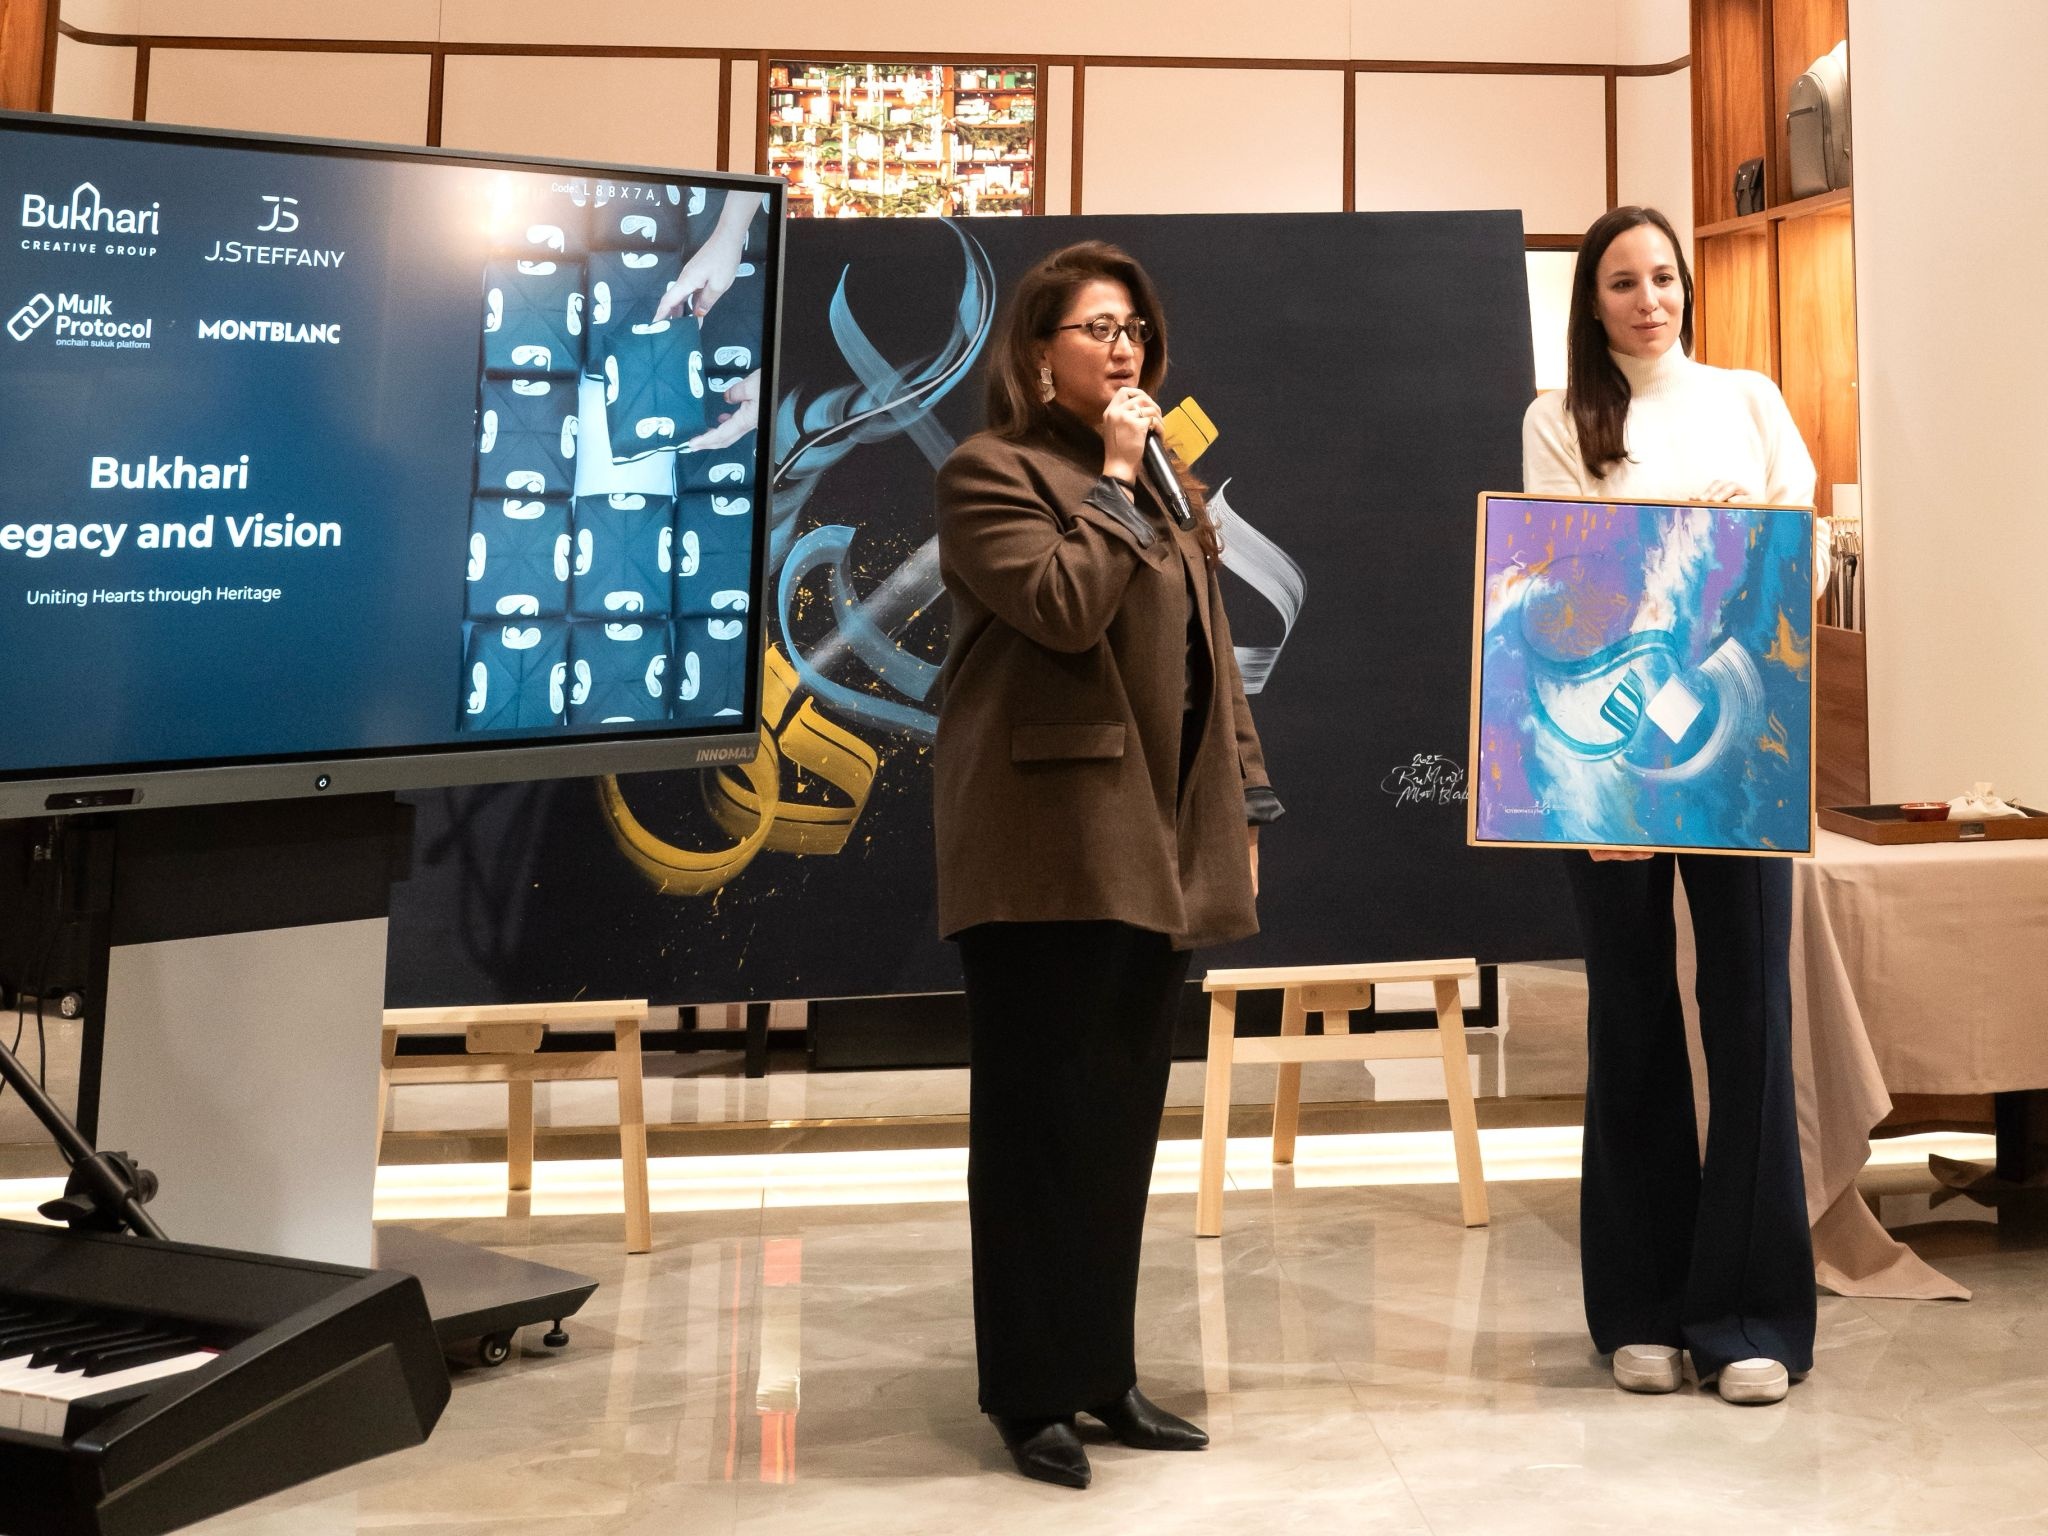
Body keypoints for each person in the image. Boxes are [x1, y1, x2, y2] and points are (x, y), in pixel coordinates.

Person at [932, 241, 1281, 1488]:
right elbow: (1062, 604)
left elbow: (1209, 654)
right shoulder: (989, 473)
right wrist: (1123, 477)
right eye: (1095, 328)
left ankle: (1101, 1373)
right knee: (1038, 1125)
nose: (1123, 346)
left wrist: (1244, 795)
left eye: (1133, 327)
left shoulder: (1168, 485)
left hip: (1155, 838)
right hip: (1041, 844)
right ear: (1039, 355)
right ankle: (1028, 1394)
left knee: (1120, 1121)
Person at [1522, 205, 1818, 1407]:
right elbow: (1555, 585)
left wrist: (1745, 537)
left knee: (1748, 1012)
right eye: (1620, 283)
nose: (1647, 300)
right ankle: (1638, 1308)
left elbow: (1798, 558)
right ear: (1589, 301)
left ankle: (1747, 1319)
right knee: (1630, 1012)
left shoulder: (1748, 400)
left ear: (1685, 287)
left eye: (1661, 278)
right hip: (1606, 756)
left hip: (1741, 747)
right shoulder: (1557, 419)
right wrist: (1696, 539)